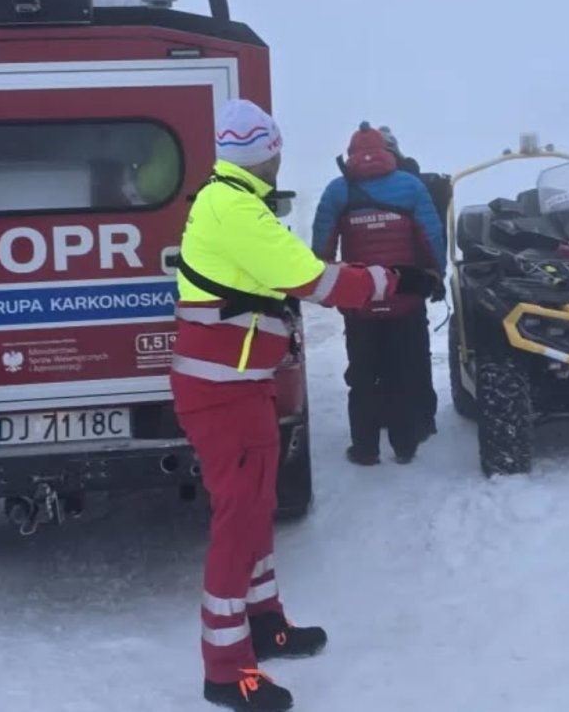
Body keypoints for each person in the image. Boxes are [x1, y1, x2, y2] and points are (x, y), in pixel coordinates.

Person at [171, 99, 437, 711]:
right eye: (276, 150)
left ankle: (265, 625)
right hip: (220, 392)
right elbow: (317, 281)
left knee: (257, 507)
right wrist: (398, 280)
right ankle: (225, 668)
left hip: (240, 383)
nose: (278, 159)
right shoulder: (236, 209)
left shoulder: (229, 200)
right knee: (237, 524)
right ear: (267, 152)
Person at [311, 122, 445, 466]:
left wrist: (328, 286)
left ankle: (366, 449)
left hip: (361, 302)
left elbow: (322, 246)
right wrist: (434, 273)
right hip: (406, 297)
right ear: (389, 153)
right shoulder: (411, 186)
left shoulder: (337, 191)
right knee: (403, 371)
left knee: (363, 376)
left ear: (351, 154)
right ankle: (405, 446)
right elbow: (431, 238)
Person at [376, 125, 449, 441]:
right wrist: (436, 273)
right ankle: (421, 418)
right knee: (415, 353)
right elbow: (432, 233)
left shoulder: (351, 183)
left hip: (365, 285)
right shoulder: (416, 182)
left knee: (373, 357)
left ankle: (382, 416)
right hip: (413, 280)